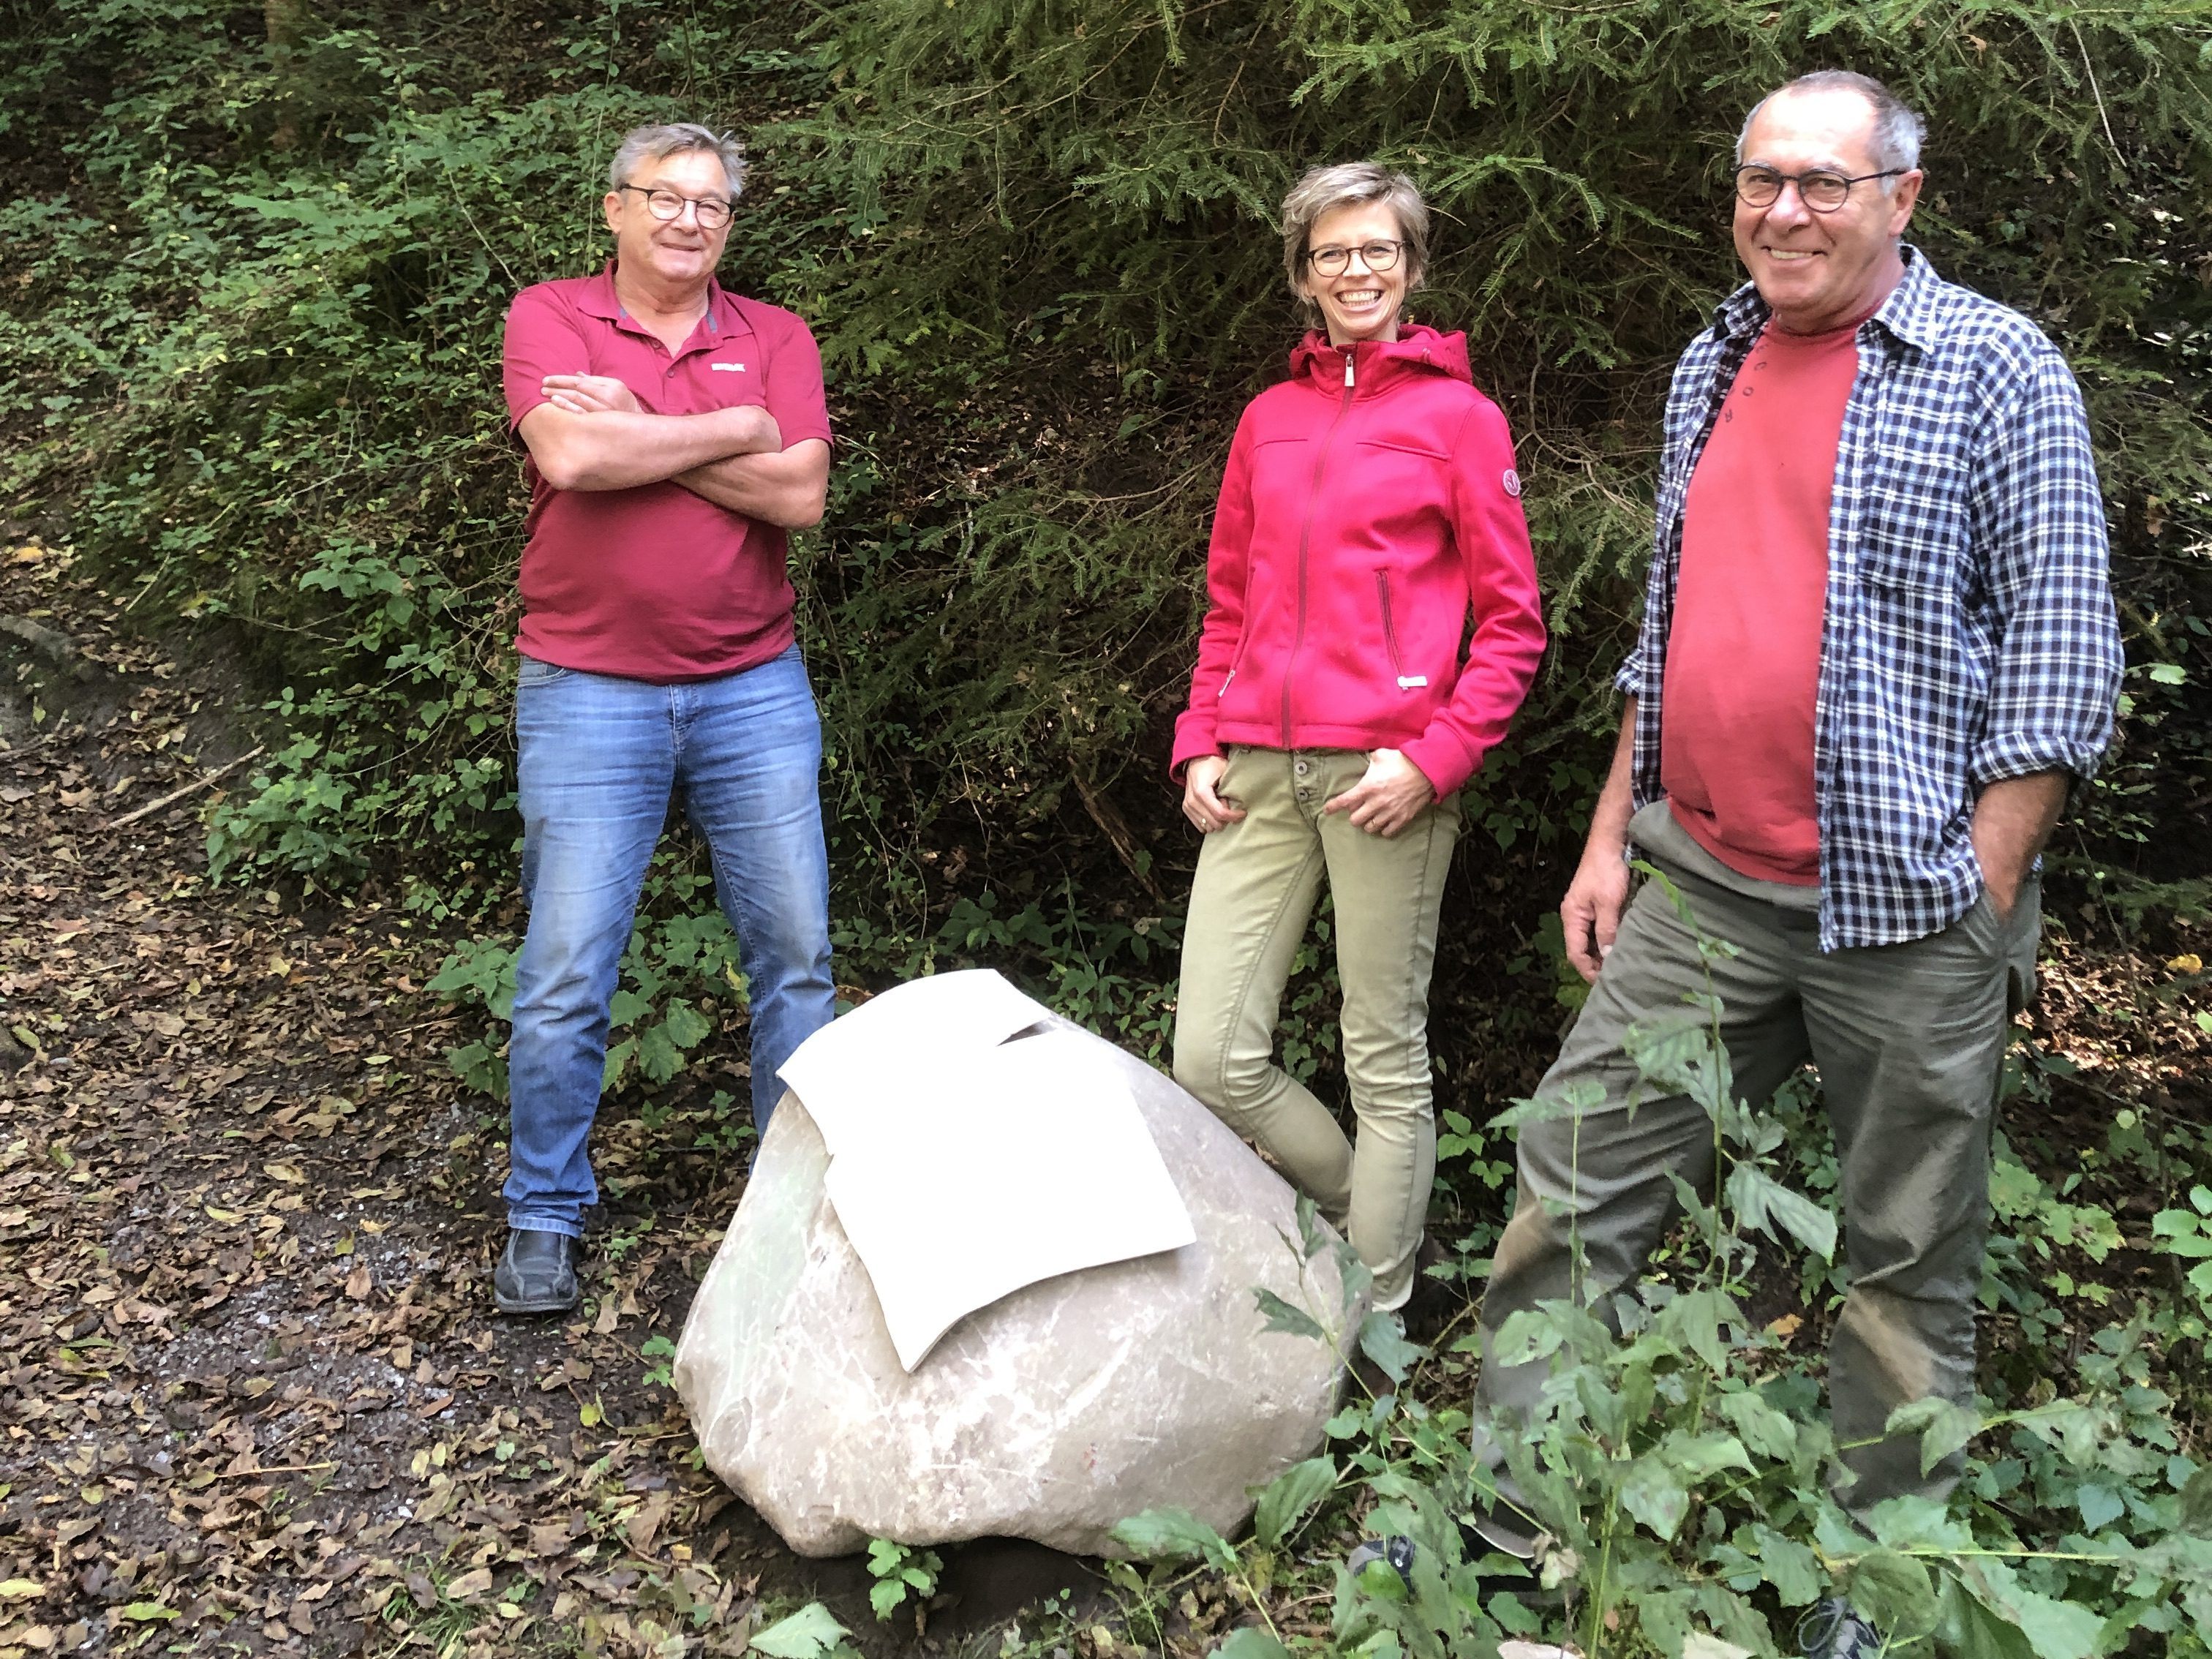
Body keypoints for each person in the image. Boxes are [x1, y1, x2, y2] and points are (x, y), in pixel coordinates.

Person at [1469, 70, 2123, 1558]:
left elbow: (2065, 646)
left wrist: (1986, 880)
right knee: (1572, 1197)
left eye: (1825, 181)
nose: (1786, 209)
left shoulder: (1992, 365)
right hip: (1698, 882)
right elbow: (1671, 621)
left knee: (1903, 1255)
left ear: (1903, 195)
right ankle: (1522, 1526)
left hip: (1907, 911)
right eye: (1764, 179)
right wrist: (1608, 835)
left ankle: (1878, 1580)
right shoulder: (1716, 358)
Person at [1170, 162, 1549, 1319]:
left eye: (1377, 249)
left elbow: (1514, 626)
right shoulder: (1270, 420)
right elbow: (1228, 598)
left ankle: (1373, 1318)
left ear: (1412, 266)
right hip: (1254, 772)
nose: (1357, 270)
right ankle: (1346, 1213)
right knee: (1211, 1059)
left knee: (1383, 1054)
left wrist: (1434, 760)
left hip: (1385, 776)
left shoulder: (1458, 418)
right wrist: (1198, 737)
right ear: (1304, 276)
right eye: (1333, 252)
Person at [492, 123, 838, 1315]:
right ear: (615, 209)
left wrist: (647, 425)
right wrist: (733, 431)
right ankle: (543, 1211)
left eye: (713, 206)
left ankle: (789, 1213)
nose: (691, 220)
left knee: (794, 964)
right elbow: (575, 459)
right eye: (667, 198)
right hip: (587, 690)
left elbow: (800, 493)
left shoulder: (775, 335)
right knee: (565, 972)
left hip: (754, 686)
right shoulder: (550, 316)